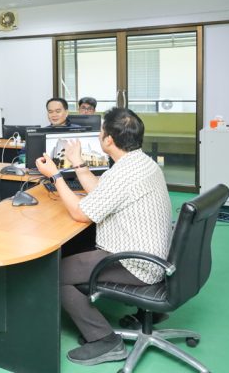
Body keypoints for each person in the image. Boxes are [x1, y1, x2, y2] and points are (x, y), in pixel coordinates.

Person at [35, 108, 172, 366]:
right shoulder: (139, 162)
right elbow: (100, 190)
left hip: (136, 263)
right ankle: (147, 315)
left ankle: (104, 340)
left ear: (108, 140)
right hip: (155, 254)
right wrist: (77, 163)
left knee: (52, 274)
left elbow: (80, 213)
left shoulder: (124, 173)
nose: (99, 135)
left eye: (101, 131)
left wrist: (55, 176)